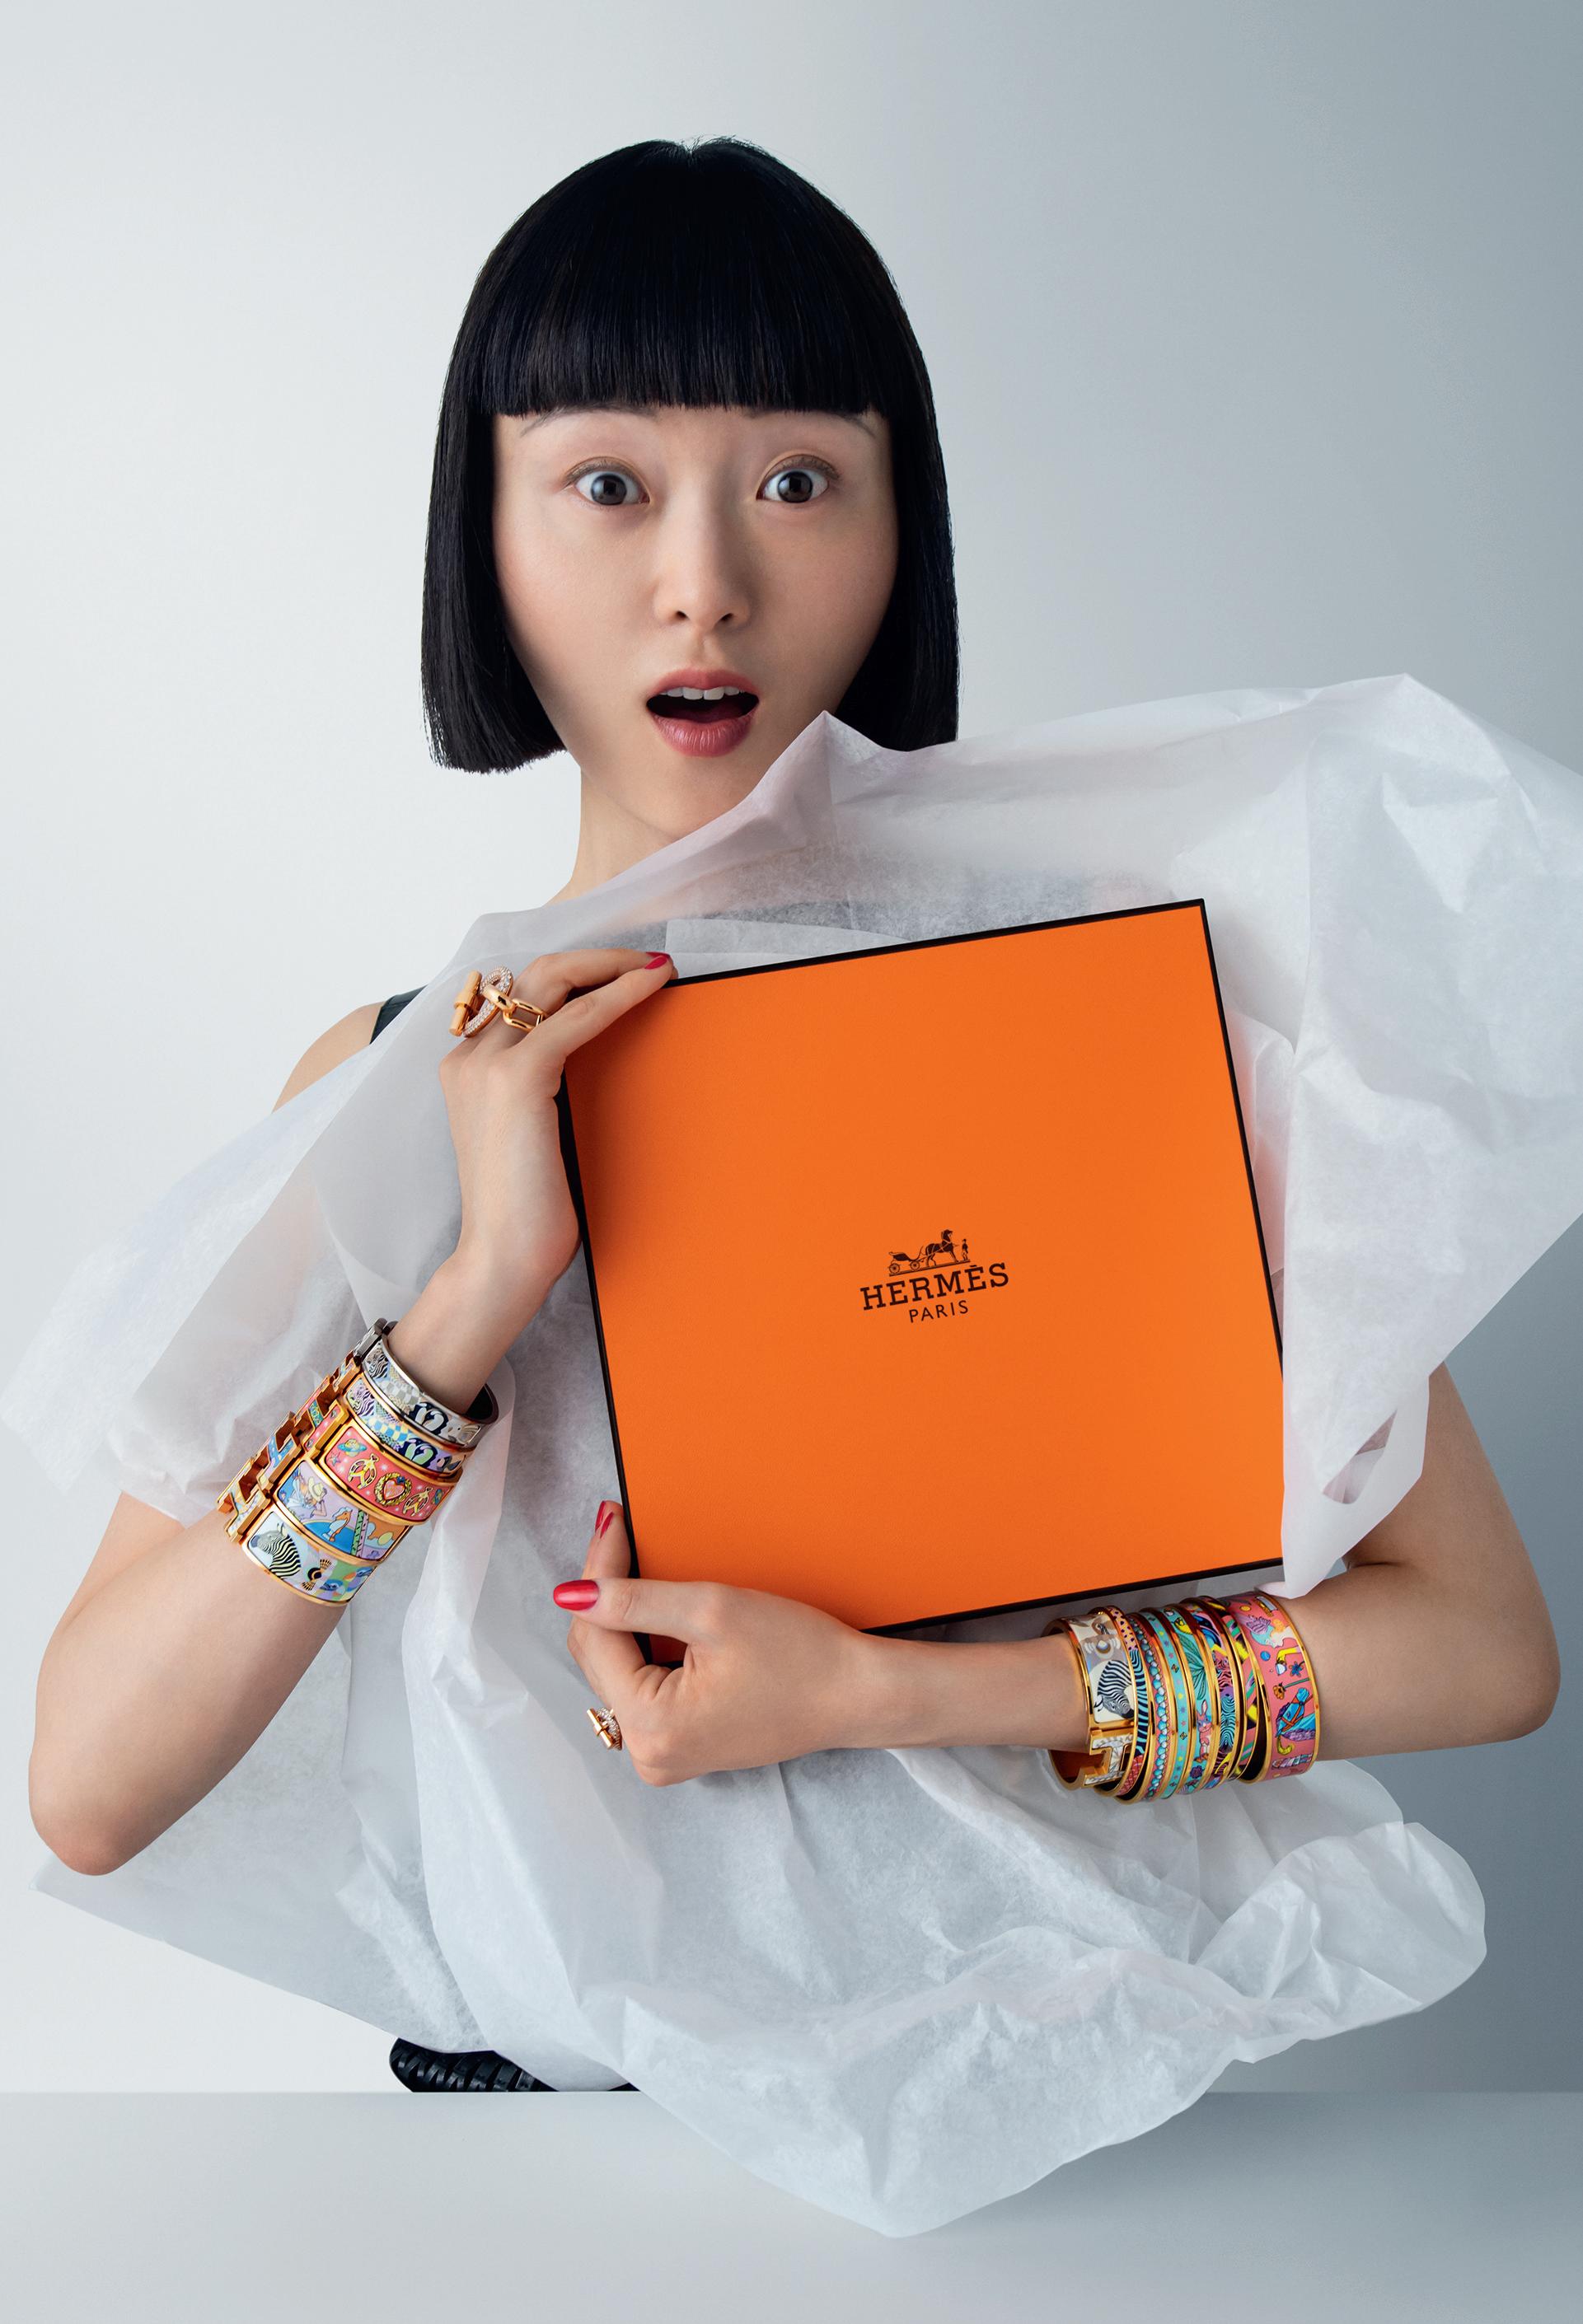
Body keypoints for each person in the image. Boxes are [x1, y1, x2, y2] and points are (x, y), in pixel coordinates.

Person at [17, 137, 1565, 2221]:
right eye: (607, 481)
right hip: (540, 2165)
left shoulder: (1117, 1025)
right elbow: (91, 1787)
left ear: (897, 527)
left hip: (1075, 2142)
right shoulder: (392, 1083)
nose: (705, 581)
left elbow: (1477, 1647)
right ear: (482, 533)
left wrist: (896, 1693)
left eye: (798, 478)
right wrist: (471, 1299)